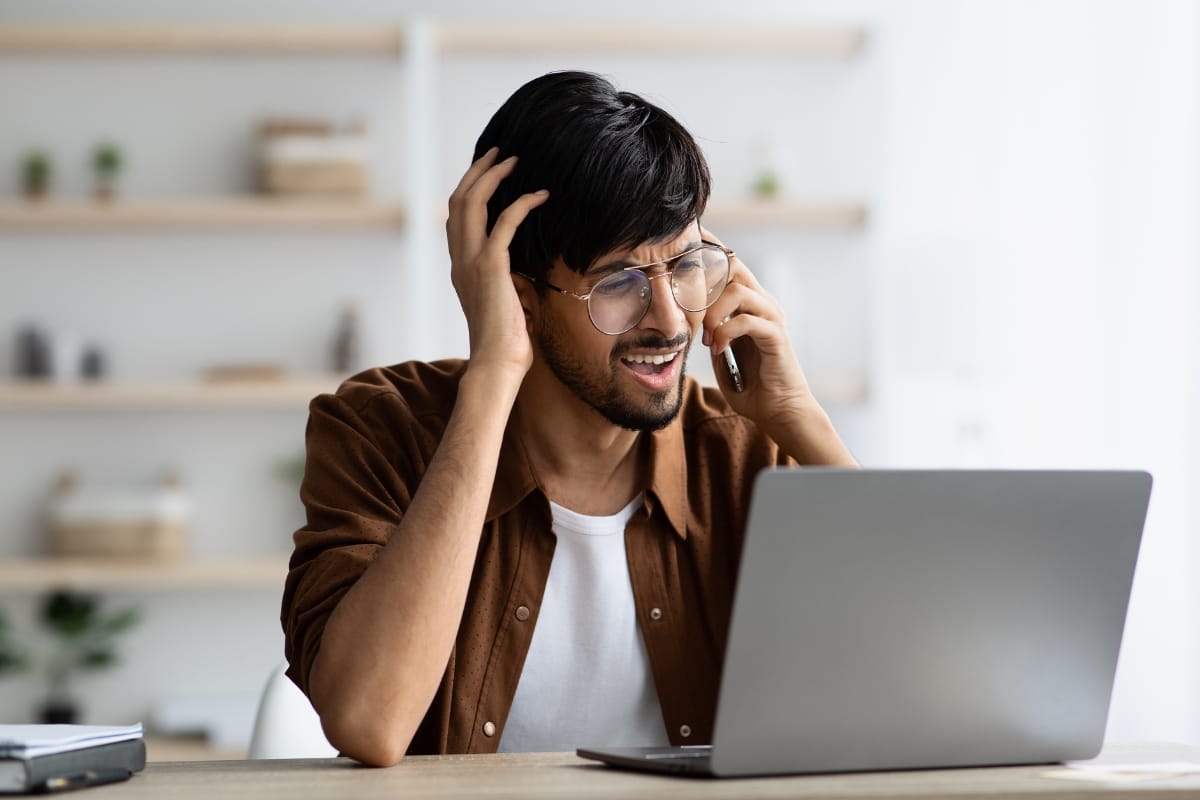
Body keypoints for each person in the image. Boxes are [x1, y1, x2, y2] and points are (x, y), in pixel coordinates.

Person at [281, 70, 857, 767]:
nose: (671, 319)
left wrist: (801, 421)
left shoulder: (742, 453)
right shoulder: (379, 429)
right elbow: (370, 721)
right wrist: (493, 371)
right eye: (617, 282)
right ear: (519, 298)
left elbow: (924, 681)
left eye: (684, 266)